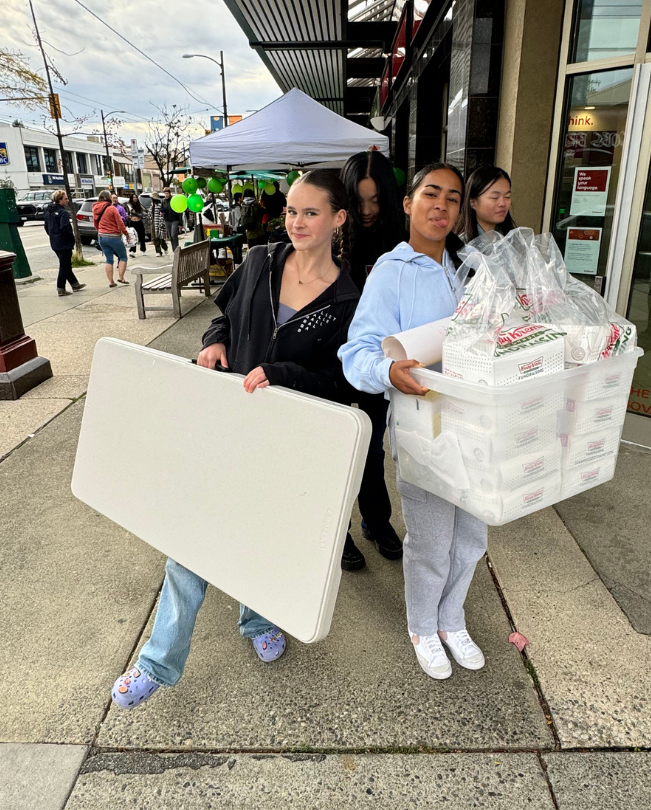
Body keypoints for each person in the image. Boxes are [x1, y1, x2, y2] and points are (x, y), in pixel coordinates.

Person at [111, 169, 361, 710]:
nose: (295, 222)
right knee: (190, 542)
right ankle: (158, 660)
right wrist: (213, 343)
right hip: (225, 422)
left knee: (258, 535)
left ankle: (258, 619)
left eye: (310, 212)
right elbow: (220, 317)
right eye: (291, 210)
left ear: (338, 218)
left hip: (284, 440)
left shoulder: (347, 297)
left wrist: (282, 373)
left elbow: (343, 385)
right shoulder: (258, 262)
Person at [340, 163, 488, 681]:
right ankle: (422, 624)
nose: (442, 206)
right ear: (408, 204)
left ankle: (452, 617)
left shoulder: (470, 267)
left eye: (453, 197)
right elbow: (356, 351)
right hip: (424, 428)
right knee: (429, 537)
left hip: (479, 424)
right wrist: (387, 370)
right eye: (431, 194)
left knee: (472, 533)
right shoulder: (392, 270)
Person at [338, 150, 407, 571]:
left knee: (371, 447)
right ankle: (335, 530)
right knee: (334, 445)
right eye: (358, 200)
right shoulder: (330, 237)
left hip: (376, 366)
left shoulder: (400, 246)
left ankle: (376, 520)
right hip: (327, 362)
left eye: (375, 200)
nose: (366, 210)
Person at [43, 190, 86, 297]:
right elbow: (65, 227)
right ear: (59, 199)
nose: (67, 200)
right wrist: (70, 238)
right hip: (64, 242)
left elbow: (46, 227)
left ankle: (74, 284)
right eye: (65, 198)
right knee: (64, 265)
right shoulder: (63, 213)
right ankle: (60, 287)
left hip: (55, 242)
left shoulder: (49, 212)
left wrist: (52, 235)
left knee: (66, 264)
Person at [457, 165, 515, 243]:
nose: (502, 203)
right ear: (473, 202)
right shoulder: (462, 246)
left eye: (507, 197)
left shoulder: (513, 240)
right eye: (495, 197)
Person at [93, 190, 129, 287]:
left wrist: (101, 231)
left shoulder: (95, 208)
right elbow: (120, 223)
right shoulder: (112, 209)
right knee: (123, 256)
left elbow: (95, 223)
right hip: (113, 236)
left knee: (109, 259)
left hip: (102, 236)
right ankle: (121, 277)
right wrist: (126, 234)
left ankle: (111, 282)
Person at [160, 187, 181, 252]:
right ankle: (174, 249)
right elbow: (162, 209)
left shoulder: (173, 200)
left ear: (169, 193)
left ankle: (177, 248)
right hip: (167, 220)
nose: (166, 195)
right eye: (165, 193)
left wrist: (180, 223)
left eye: (167, 193)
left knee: (173, 234)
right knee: (170, 236)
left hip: (174, 219)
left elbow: (178, 211)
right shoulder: (163, 201)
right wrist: (162, 212)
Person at [149, 192, 168, 256]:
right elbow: (150, 214)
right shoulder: (151, 206)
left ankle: (165, 247)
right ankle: (158, 251)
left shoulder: (160, 205)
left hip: (159, 223)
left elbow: (162, 215)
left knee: (161, 237)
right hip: (153, 222)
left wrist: (162, 223)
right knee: (155, 238)